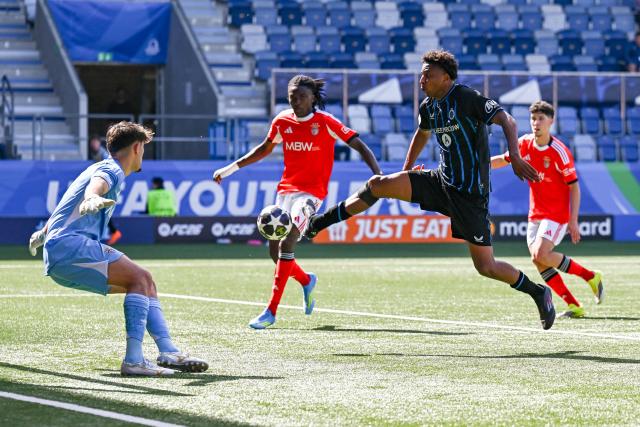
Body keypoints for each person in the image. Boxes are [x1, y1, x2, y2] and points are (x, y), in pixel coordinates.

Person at [303, 50, 557, 330]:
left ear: (446, 78)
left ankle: (538, 292)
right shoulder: (429, 106)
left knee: (486, 267)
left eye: (428, 74)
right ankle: (318, 222)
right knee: (377, 186)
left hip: (470, 195)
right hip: (440, 181)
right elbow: (422, 134)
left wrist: (516, 157)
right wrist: (406, 169)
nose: (422, 78)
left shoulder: (466, 97)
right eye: (421, 73)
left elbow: (507, 120)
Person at [28, 121, 208, 376]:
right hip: (70, 247)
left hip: (59, 253)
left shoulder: (98, 166)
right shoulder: (111, 169)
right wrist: (92, 197)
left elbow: (65, 208)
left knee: (145, 283)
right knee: (140, 277)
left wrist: (42, 235)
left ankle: (169, 350)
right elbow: (96, 187)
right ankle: (134, 360)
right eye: (143, 148)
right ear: (136, 147)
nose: (143, 153)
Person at [213, 74, 382, 329]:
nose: (296, 101)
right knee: (274, 251)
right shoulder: (282, 121)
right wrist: (230, 168)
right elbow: (264, 148)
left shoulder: (325, 122)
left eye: (302, 96)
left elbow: (360, 146)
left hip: (311, 194)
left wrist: (377, 174)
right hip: (285, 191)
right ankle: (306, 280)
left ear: (313, 98)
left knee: (287, 242)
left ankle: (270, 311)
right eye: (292, 96)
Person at [491, 101, 604, 318]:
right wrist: (478, 165)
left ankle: (590, 276)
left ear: (551, 121)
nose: (536, 123)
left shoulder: (559, 152)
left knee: (541, 253)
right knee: (537, 259)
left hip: (557, 214)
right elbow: (503, 160)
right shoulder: (523, 143)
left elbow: (574, 188)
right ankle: (575, 304)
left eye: (541, 118)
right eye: (533, 118)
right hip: (536, 214)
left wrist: (573, 220)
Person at [88, 135, 123, 245]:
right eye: (92, 143)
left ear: (99, 143)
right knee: (100, 209)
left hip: (105, 182)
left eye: (95, 142)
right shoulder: (95, 153)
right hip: (102, 182)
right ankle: (112, 232)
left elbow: (108, 167)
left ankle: (112, 232)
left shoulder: (102, 154)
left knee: (101, 209)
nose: (93, 145)